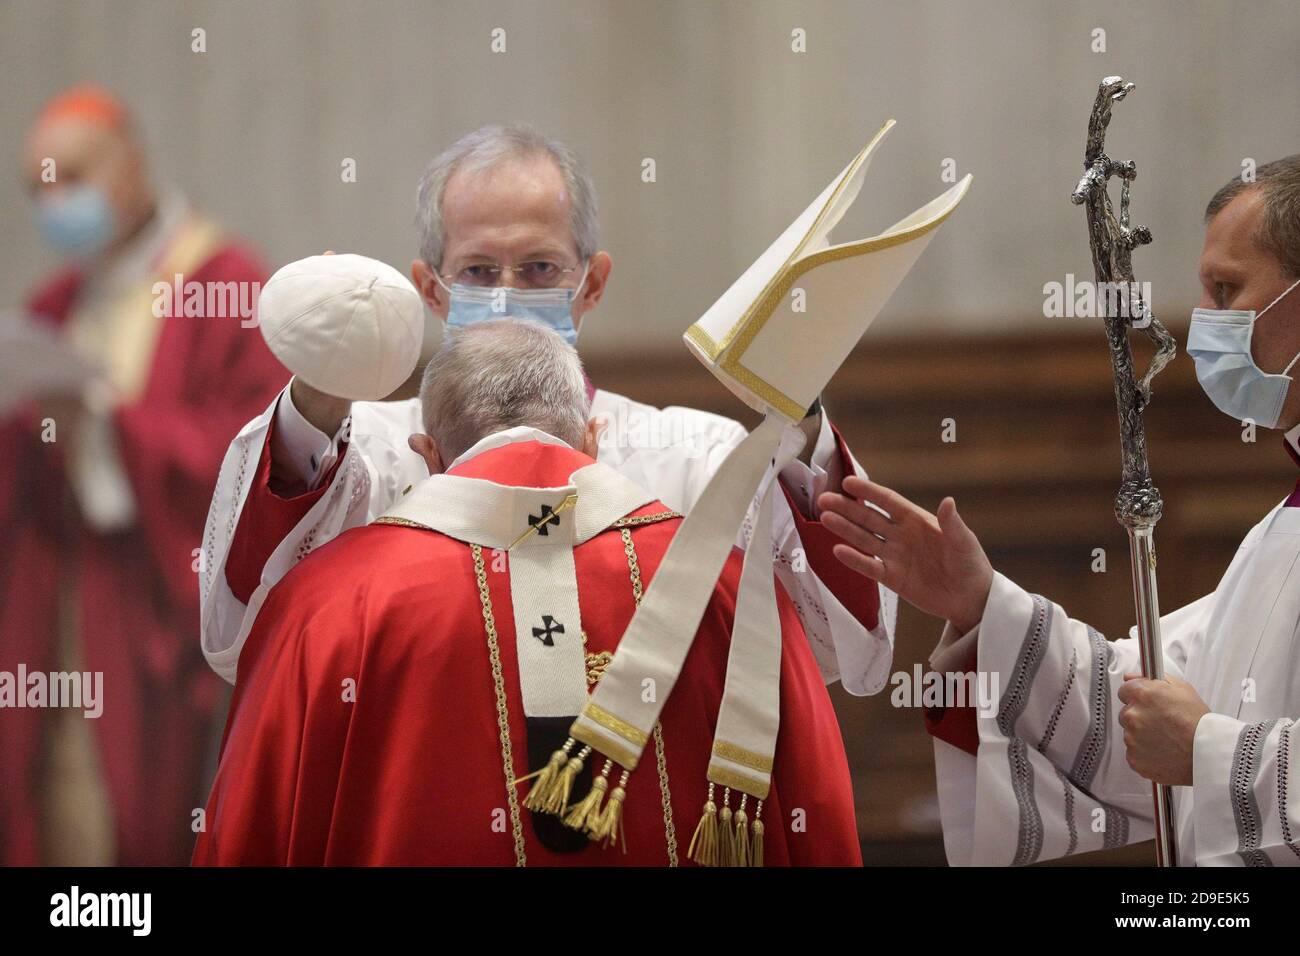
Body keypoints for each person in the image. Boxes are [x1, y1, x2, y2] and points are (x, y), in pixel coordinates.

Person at [199, 123, 894, 700]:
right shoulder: (370, 449)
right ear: (429, 290)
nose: (505, 296)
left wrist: (795, 420)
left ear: (590, 285)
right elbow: (249, 633)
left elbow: (835, 645)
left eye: (538, 269)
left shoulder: (692, 452)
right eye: (477, 271)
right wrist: (320, 390)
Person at [193, 321, 860, 866]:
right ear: (594, 440)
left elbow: (252, 831)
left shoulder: (327, 604)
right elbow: (816, 813)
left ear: (428, 452)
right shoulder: (729, 587)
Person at [816, 156, 1300, 866]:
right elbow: (1143, 696)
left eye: (1227, 290)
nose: (1203, 328)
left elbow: (1190, 730)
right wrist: (983, 603)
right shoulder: (1280, 528)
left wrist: (1206, 750)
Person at [0, 85, 286, 865]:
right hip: (54, 598)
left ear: (132, 166)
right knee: (45, 799)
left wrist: (111, 427)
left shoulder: (225, 282)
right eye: (39, 186)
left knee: (127, 816)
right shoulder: (55, 305)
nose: (56, 202)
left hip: (150, 601)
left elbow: (252, 450)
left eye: (73, 178)